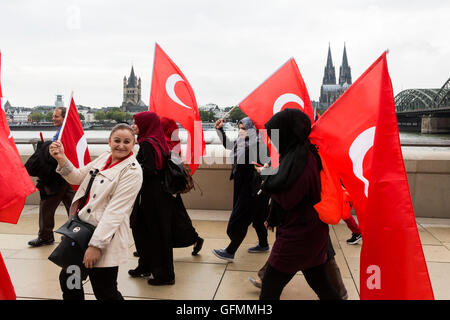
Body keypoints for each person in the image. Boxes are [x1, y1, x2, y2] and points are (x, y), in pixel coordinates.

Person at [50, 123, 143, 300]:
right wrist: (61, 158)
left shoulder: (133, 172)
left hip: (105, 238)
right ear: (109, 141)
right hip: (80, 234)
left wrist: (96, 246)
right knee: (70, 280)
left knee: (105, 291)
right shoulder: (105, 157)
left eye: (126, 141)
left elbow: (115, 213)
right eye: (117, 140)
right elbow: (77, 177)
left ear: (134, 144)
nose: (121, 145)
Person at [258, 109, 341, 300]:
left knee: (270, 286)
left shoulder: (301, 162)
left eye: (276, 135)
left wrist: (268, 179)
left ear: (287, 133)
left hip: (298, 237)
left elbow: (289, 199)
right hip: (310, 233)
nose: (274, 141)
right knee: (322, 285)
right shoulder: (302, 155)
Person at [212, 117, 270, 262]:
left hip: (252, 189)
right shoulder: (240, 142)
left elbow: (268, 167)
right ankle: (263, 244)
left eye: (244, 128)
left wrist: (261, 169)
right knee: (258, 219)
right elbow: (228, 144)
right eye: (239, 128)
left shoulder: (259, 145)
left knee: (240, 220)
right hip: (244, 186)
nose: (240, 131)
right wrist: (219, 130)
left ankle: (230, 251)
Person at [128, 111, 176, 286]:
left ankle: (164, 274)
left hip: (151, 195)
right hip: (159, 194)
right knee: (145, 230)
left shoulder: (147, 143)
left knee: (153, 233)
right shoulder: (158, 140)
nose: (133, 126)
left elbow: (148, 170)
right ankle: (146, 265)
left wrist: (129, 167)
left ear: (146, 125)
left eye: (136, 123)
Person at [28, 107, 75, 247]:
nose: (53, 118)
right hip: (67, 176)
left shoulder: (64, 133)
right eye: (53, 116)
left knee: (47, 206)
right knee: (73, 206)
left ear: (64, 118)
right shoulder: (65, 131)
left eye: (56, 116)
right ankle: (74, 235)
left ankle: (45, 236)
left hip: (56, 178)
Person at [160, 117, 204, 255]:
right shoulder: (172, 142)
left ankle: (195, 238)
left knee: (177, 216)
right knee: (177, 216)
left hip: (167, 187)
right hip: (170, 187)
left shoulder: (165, 143)